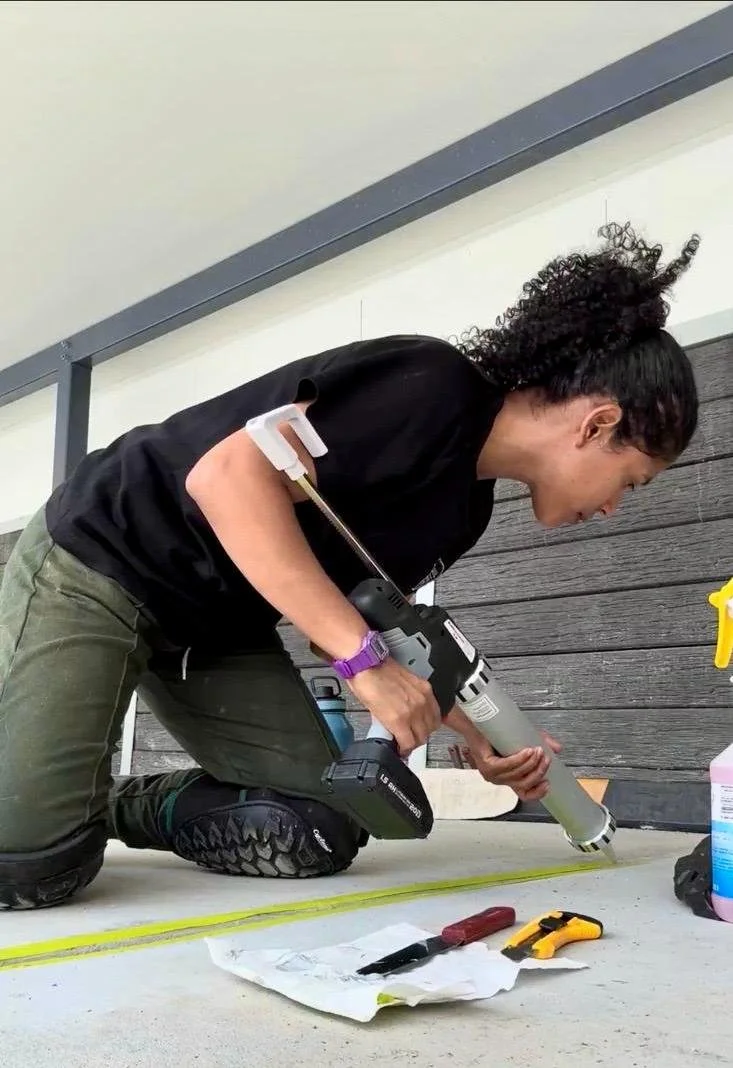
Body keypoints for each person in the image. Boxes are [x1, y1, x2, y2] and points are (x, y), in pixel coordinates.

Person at [0, 222, 701, 910]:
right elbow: (223, 478)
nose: (612, 508)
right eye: (629, 481)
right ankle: (45, 811)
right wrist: (363, 667)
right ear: (595, 425)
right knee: (31, 868)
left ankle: (109, 806)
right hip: (105, 558)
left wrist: (481, 742)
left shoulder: (466, 512)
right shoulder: (431, 385)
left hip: (211, 631)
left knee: (321, 825)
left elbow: (363, 621)